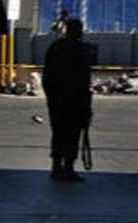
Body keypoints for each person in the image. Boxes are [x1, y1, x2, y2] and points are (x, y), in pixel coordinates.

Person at [42, 19, 94, 182]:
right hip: (75, 98)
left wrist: (51, 95)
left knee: (58, 132)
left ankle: (56, 166)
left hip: (57, 98)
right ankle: (68, 167)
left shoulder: (56, 47)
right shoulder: (81, 50)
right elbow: (85, 78)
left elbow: (47, 75)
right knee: (73, 134)